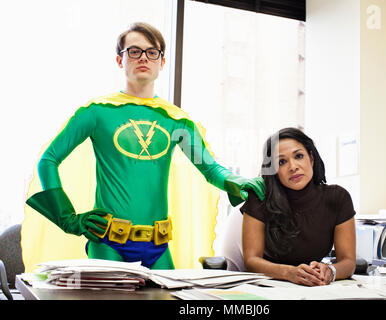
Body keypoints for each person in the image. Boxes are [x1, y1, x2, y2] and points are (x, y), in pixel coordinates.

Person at [25, 22, 265, 270]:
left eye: (152, 52)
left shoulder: (176, 121)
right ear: (120, 60)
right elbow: (48, 160)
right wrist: (68, 219)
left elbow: (210, 169)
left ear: (161, 63)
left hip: (158, 246)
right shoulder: (96, 112)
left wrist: (235, 181)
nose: (143, 58)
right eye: (134, 51)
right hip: (108, 242)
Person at [241, 127, 356, 286]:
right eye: (282, 161)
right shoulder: (260, 197)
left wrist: (331, 271)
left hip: (314, 288)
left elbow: (348, 262)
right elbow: (251, 260)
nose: (293, 166)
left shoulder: (338, 198)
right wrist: (288, 273)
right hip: (270, 285)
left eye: (299, 156)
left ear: (311, 158)